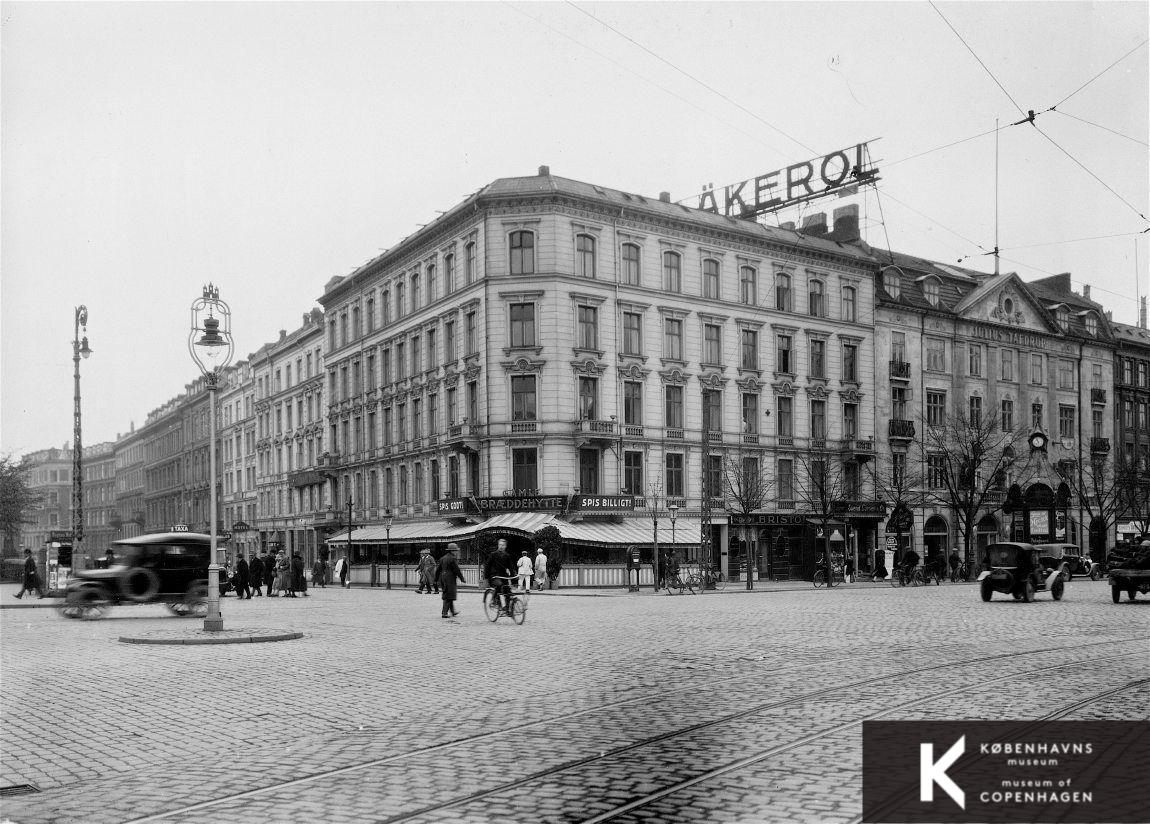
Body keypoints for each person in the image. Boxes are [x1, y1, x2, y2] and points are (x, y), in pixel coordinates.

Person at [484, 538, 514, 611]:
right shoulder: (493, 555)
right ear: (498, 545)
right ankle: (494, 600)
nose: (501, 546)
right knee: (499, 585)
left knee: (508, 591)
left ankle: (507, 608)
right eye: (500, 545)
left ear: (505, 546)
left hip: (503, 576)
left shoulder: (507, 555)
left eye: (503, 545)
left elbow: (510, 566)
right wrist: (486, 577)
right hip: (494, 576)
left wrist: (514, 576)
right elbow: (487, 565)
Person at [437, 542, 465, 618]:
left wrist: (436, 579)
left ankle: (452, 611)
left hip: (443, 579)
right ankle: (444, 613)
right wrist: (462, 578)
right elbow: (456, 570)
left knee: (449, 595)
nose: (456, 552)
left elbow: (438, 569)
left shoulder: (443, 558)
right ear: (452, 551)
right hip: (450, 579)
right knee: (448, 596)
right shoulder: (452, 559)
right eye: (456, 551)